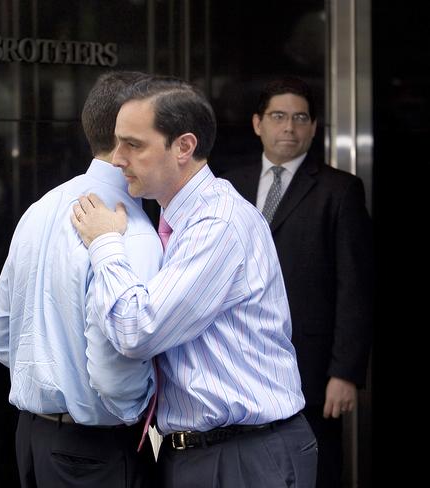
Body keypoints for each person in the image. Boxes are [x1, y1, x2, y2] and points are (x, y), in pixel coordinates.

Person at [71, 75, 317, 488]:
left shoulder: (216, 223)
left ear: (183, 146)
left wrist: (105, 244)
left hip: (244, 457)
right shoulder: (178, 220)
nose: (116, 158)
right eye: (117, 142)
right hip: (207, 453)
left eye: (134, 144)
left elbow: (137, 330)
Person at [0, 71, 163, 488]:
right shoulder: (129, 228)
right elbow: (114, 367)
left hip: (33, 439)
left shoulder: (40, 208)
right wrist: (141, 413)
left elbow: (2, 337)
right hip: (96, 447)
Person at [220, 76, 374, 488]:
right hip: (237, 360)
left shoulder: (340, 191)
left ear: (313, 127)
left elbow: (355, 288)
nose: (289, 127)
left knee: (313, 470)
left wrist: (345, 372)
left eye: (300, 118)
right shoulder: (228, 186)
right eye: (278, 116)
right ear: (257, 123)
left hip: (311, 366)